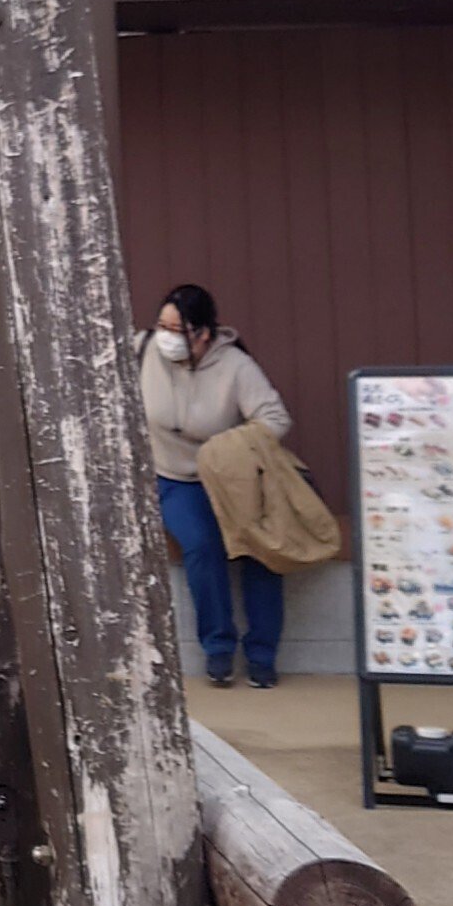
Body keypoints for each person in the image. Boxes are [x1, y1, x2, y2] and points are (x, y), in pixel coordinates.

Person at [140, 281, 292, 689]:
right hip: (172, 477)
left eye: (177, 331)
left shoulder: (236, 367)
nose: (165, 338)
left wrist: (225, 447)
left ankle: (262, 654)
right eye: (162, 327)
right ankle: (218, 648)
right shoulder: (140, 351)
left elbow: (275, 420)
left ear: (203, 333)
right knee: (201, 547)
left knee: (261, 554)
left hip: (231, 478)